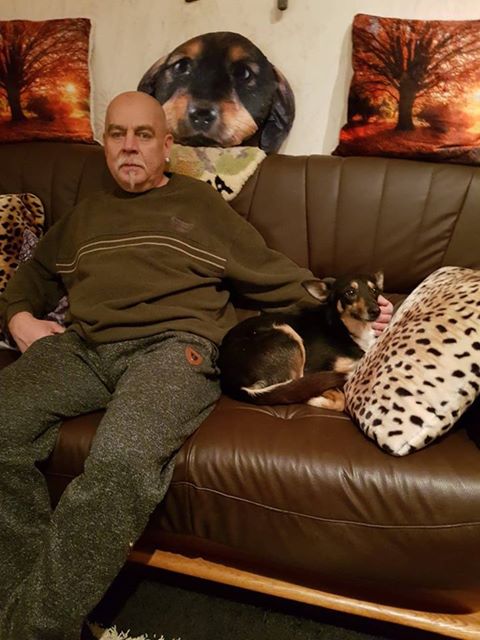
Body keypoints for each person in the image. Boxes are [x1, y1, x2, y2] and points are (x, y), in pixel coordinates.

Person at [0, 91, 393, 640]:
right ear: (104, 144)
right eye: (117, 134)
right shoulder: (84, 216)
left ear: (166, 145)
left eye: (143, 134)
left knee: (121, 459)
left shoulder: (200, 206)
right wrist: (18, 317)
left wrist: (354, 306)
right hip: (83, 346)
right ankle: (22, 610)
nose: (129, 146)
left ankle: (31, 630)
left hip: (174, 348)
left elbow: (272, 273)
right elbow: (34, 274)